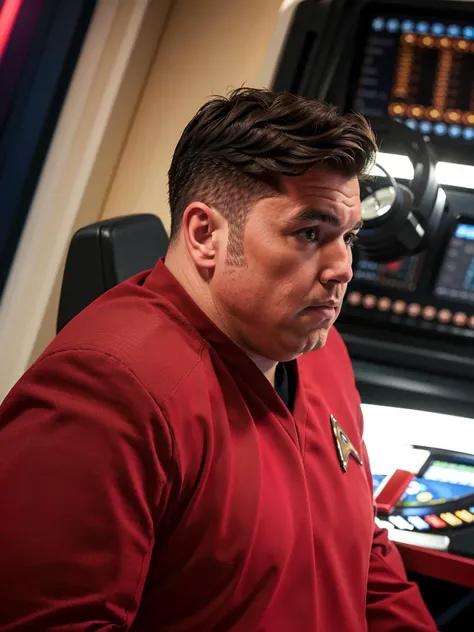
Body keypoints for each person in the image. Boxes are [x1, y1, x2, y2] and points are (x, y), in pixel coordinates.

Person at [0, 88, 437, 631]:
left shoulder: (318, 350)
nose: (342, 267)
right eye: (309, 233)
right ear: (205, 234)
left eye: (347, 237)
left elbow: (362, 554)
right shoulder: (106, 391)